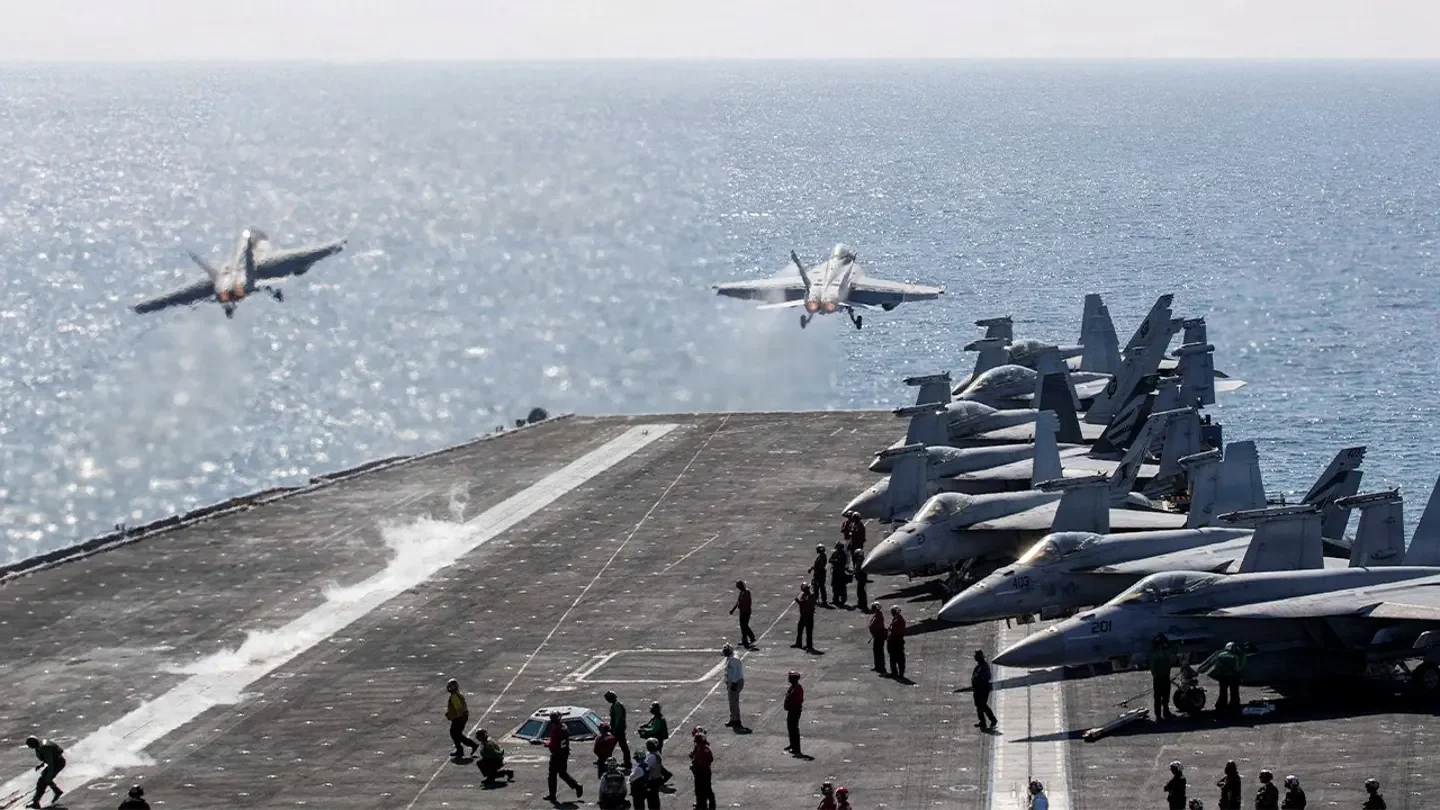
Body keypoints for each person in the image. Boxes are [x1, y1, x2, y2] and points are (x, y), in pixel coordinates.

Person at [542, 710, 584, 802]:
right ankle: (576, 785)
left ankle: (552, 795)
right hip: (564, 753)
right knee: (562, 773)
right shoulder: (564, 727)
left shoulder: (556, 730)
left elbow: (553, 744)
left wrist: (546, 744)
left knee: (552, 775)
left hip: (557, 754)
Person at [25, 736, 65, 809]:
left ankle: (36, 802)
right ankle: (57, 791)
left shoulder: (43, 747)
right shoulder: (41, 744)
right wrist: (42, 764)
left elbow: (51, 763)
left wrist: (49, 775)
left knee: (42, 782)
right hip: (57, 761)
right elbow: (50, 757)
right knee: (44, 777)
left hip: (57, 763)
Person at [444, 679, 480, 758]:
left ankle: (463, 748)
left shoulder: (454, 696)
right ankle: (463, 748)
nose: (449, 688)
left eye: (450, 686)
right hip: (462, 716)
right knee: (456, 733)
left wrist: (455, 717)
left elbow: (459, 709)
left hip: (460, 717)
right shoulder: (457, 694)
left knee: (455, 733)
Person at [638, 703, 673, 782]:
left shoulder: (659, 719)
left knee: (655, 759)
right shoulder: (656, 717)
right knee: (655, 759)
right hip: (656, 740)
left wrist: (644, 730)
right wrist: (646, 726)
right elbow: (652, 726)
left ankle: (665, 774)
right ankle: (663, 774)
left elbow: (654, 730)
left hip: (657, 741)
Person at [1210, 642, 1245, 715]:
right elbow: (1237, 668)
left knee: (1223, 693)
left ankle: (1221, 708)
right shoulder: (1235, 656)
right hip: (1233, 677)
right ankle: (1234, 708)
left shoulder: (1220, 655)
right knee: (1234, 693)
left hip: (1223, 677)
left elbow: (1216, 667)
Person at [1149, 634, 1176, 721]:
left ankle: (1164, 711)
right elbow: (1153, 666)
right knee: (1159, 696)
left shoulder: (1157, 653)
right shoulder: (1159, 653)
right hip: (1160, 676)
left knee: (1164, 695)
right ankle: (1160, 714)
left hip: (1162, 676)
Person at [605, 691, 633, 769]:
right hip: (619, 729)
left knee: (611, 745)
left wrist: (614, 729)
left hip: (618, 730)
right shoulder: (616, 705)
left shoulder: (616, 706)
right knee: (622, 746)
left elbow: (618, 718)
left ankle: (606, 761)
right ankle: (627, 762)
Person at [971, 650, 998, 730]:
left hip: (982, 689)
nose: (974, 657)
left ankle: (992, 719)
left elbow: (987, 677)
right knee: (979, 706)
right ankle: (982, 721)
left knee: (982, 705)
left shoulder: (984, 666)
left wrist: (979, 681)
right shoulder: (979, 666)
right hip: (977, 689)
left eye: (976, 655)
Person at [690, 731, 715, 810]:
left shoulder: (702, 749)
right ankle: (703, 804)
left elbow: (702, 761)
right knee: (703, 788)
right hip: (703, 771)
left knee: (703, 789)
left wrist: (695, 764)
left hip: (701, 772)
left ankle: (704, 805)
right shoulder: (703, 748)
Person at [722, 644, 746, 729]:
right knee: (734, 701)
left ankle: (734, 720)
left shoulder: (734, 660)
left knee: (733, 702)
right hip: (732, 682)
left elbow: (736, 672)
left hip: (735, 682)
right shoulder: (731, 658)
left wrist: (733, 684)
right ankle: (736, 719)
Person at [784, 670, 805, 756]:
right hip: (792, 710)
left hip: (795, 710)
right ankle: (792, 744)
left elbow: (796, 700)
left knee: (794, 728)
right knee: (790, 727)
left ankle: (796, 747)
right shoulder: (793, 687)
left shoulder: (796, 688)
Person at [730, 580, 756, 649]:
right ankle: (744, 640)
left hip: (746, 611)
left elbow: (748, 602)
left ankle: (752, 637)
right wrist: (733, 609)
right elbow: (738, 602)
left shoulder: (747, 592)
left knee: (745, 626)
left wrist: (743, 606)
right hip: (742, 611)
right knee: (742, 626)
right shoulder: (741, 593)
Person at [642, 738, 666, 807]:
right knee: (654, 798)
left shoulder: (652, 756)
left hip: (652, 780)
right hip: (656, 778)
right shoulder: (656, 753)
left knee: (652, 800)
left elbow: (647, 768)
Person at [794, 583, 817, 652]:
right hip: (804, 615)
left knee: (807, 630)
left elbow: (805, 604)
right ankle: (800, 643)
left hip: (807, 615)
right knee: (801, 629)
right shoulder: (806, 595)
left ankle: (808, 645)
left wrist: (798, 601)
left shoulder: (810, 595)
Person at [888, 606, 909, 679]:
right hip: (895, 640)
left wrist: (890, 634)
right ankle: (895, 672)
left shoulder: (898, 620)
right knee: (894, 657)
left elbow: (895, 631)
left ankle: (900, 673)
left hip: (896, 640)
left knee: (899, 657)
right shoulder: (897, 619)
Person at [830, 541, 851, 608]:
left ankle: (843, 600)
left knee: (842, 587)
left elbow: (840, 562)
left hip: (841, 573)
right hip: (835, 572)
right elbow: (830, 560)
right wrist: (835, 560)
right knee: (834, 586)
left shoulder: (843, 554)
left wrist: (835, 561)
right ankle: (835, 599)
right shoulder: (835, 553)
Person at [868, 602, 888, 674]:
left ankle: (881, 667)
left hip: (879, 635)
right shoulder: (877, 615)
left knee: (878, 651)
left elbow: (876, 625)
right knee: (877, 650)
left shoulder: (878, 615)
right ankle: (877, 666)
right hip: (877, 635)